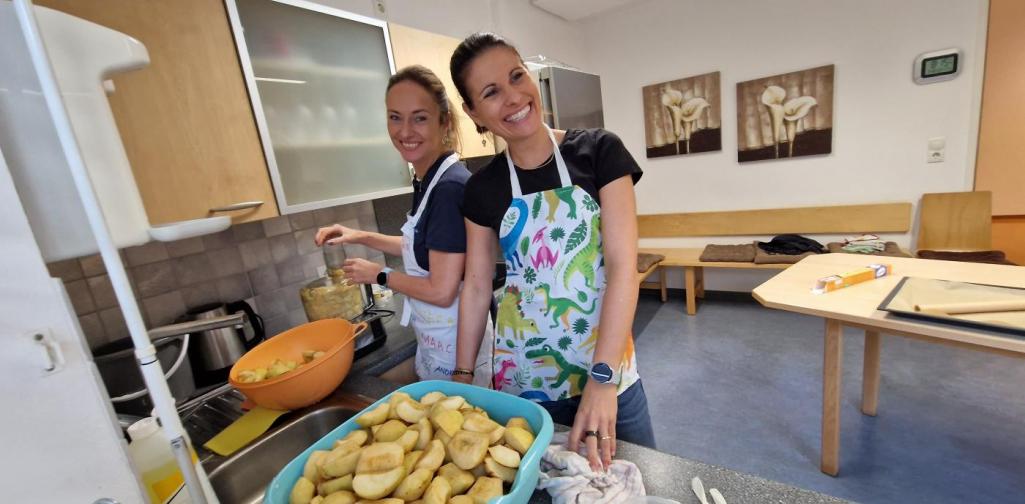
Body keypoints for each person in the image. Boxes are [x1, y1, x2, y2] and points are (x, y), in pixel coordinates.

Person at [449, 32, 656, 471]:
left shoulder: (600, 152)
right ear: (473, 113)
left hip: (610, 370)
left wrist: (602, 381)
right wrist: (462, 378)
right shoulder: (482, 188)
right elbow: (476, 285)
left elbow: (622, 268)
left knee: (639, 482)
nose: (513, 97)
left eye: (516, 76)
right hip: (527, 382)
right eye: (491, 92)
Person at [315, 65, 492, 387]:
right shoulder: (429, 178)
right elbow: (426, 250)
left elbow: (441, 290)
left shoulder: (448, 187)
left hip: (458, 355)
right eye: (395, 117)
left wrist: (379, 275)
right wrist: (361, 236)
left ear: (444, 122)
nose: (405, 130)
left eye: (419, 117)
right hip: (440, 346)